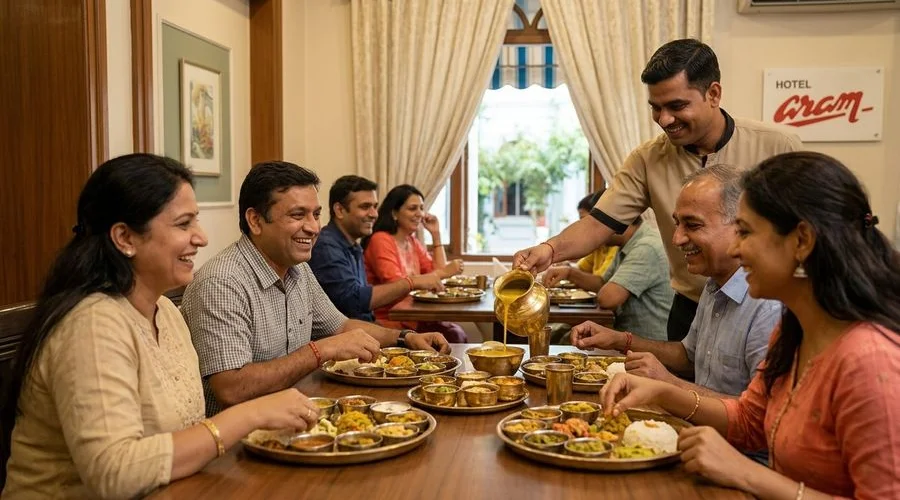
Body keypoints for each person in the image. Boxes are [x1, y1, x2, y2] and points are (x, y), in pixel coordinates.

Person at [0, 155, 319, 499]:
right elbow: (115, 474)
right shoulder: (92, 324)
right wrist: (250, 415)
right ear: (125, 238)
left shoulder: (164, 309)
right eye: (184, 224)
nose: (202, 238)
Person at [601, 152, 900, 499]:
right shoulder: (795, 330)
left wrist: (745, 474)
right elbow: (749, 422)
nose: (737, 249)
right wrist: (663, 391)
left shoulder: (870, 359)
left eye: (745, 232)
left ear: (801, 241)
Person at [513, 38, 801, 342]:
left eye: (677, 106)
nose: (664, 119)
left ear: (713, 94)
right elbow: (599, 223)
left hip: (765, 310)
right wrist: (549, 250)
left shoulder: (778, 146)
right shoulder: (647, 158)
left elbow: (805, 236)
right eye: (656, 107)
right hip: (691, 309)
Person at [182, 162, 449, 416]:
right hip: (239, 449)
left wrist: (405, 338)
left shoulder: (297, 268)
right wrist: (320, 351)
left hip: (298, 414)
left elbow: (342, 327)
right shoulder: (222, 282)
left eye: (316, 214)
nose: (312, 227)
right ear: (255, 220)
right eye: (298, 215)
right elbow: (232, 388)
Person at [571, 165, 781, 399]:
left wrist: (668, 383)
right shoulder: (713, 284)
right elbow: (688, 357)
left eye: (692, 225)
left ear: (740, 227)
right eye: (677, 224)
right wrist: (620, 340)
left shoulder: (769, 306)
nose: (677, 238)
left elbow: (760, 414)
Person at [308, 175, 443, 322]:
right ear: (339, 210)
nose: (374, 214)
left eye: (375, 206)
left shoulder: (353, 245)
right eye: (365, 207)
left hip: (363, 328)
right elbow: (354, 301)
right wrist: (412, 282)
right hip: (347, 336)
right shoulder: (326, 245)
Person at [362, 184, 468, 343]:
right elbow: (395, 284)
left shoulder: (412, 241)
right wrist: (444, 273)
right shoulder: (381, 240)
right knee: (452, 336)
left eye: (421, 208)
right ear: (394, 213)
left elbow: (438, 274)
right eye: (413, 208)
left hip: (415, 316)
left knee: (455, 333)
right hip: (390, 321)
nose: (420, 214)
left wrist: (436, 234)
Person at [545, 214, 673, 341]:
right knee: (562, 336)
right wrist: (570, 273)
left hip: (648, 347)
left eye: (597, 226)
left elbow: (608, 299)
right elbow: (602, 283)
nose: (593, 234)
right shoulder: (629, 242)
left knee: (566, 340)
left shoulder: (646, 247)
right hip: (629, 338)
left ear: (621, 220)